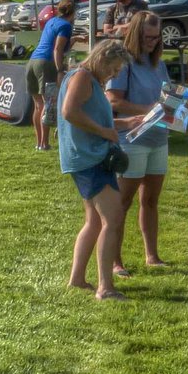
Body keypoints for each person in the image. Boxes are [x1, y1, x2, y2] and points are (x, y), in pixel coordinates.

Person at [58, 38, 137, 302]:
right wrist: (105, 131)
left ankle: (77, 279)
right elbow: (69, 112)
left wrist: (130, 122)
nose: (113, 75)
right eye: (113, 69)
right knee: (112, 220)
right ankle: (106, 287)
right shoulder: (82, 77)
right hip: (90, 159)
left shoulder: (86, 79)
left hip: (87, 157)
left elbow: (95, 117)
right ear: (102, 58)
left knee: (93, 221)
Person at [104, 12, 176, 271]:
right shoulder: (123, 62)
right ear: (135, 33)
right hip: (132, 139)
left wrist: (177, 107)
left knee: (151, 201)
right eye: (148, 37)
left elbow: (167, 96)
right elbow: (113, 100)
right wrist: (146, 110)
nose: (153, 42)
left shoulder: (158, 62)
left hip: (159, 137)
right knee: (123, 202)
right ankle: (115, 261)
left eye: (157, 38)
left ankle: (152, 256)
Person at [27, 0, 77, 151]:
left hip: (32, 61)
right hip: (46, 63)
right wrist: (60, 69)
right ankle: (45, 143)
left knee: (38, 105)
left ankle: (39, 143)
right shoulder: (66, 26)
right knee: (48, 105)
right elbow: (57, 49)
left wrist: (74, 40)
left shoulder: (52, 21)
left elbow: (55, 44)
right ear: (74, 12)